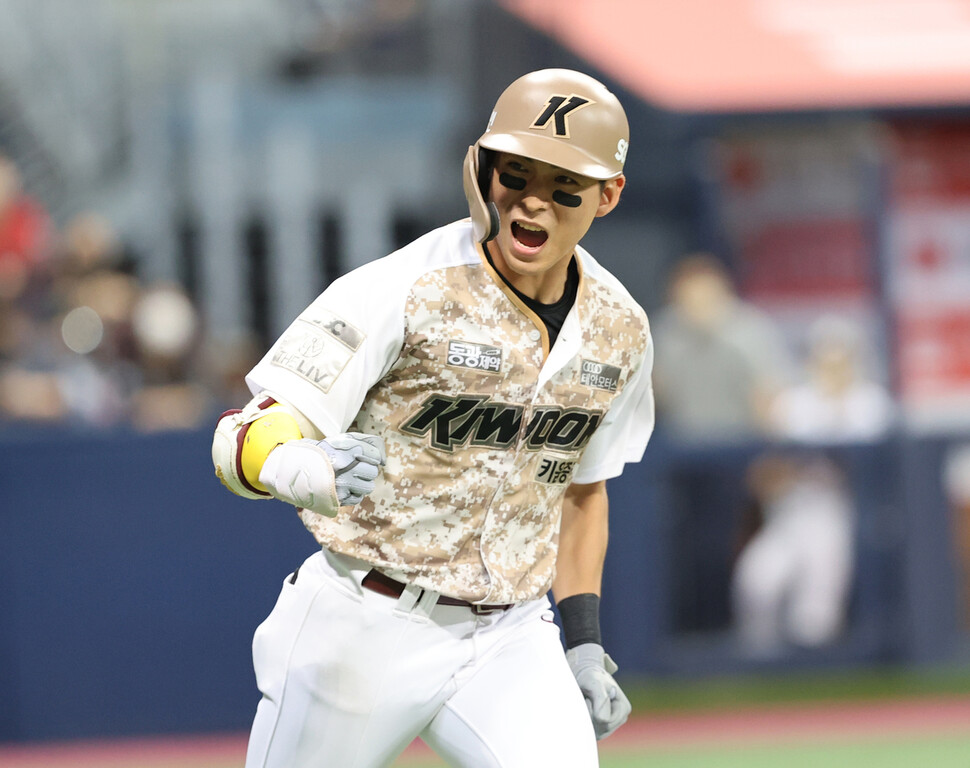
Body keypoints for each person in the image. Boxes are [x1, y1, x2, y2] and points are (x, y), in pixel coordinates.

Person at [212, 68, 655, 767]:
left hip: (511, 635)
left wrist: (585, 642)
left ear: (608, 194)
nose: (532, 202)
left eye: (562, 184)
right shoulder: (403, 287)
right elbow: (244, 435)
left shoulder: (620, 328)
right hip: (365, 619)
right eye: (516, 174)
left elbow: (582, 488)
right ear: (482, 168)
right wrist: (298, 464)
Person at [651, 253, 792, 443]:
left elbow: (771, 396)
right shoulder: (664, 333)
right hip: (680, 442)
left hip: (741, 440)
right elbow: (653, 396)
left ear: (723, 293)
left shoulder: (751, 330)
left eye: (705, 299)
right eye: (689, 300)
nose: (697, 309)